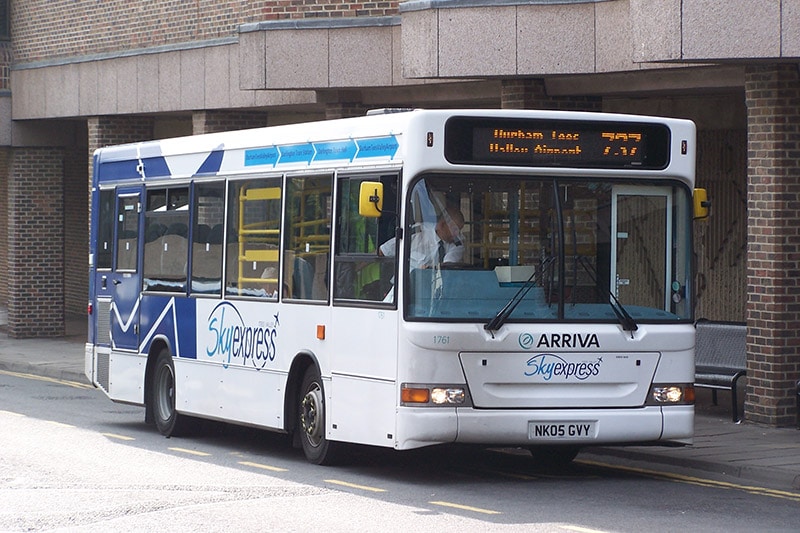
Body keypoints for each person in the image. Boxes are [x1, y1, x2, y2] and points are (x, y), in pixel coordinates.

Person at [379, 206, 465, 268]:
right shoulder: (418, 232)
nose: (457, 234)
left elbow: (447, 268)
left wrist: (428, 270)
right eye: (455, 229)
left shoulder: (457, 244)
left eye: (459, 230)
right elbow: (384, 251)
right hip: (403, 285)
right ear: (442, 225)